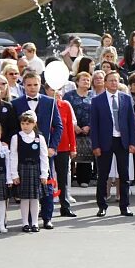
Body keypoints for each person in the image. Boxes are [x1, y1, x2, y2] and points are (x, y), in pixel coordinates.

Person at [11, 70, 62, 229]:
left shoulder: (49, 102)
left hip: (45, 151)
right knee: (27, 188)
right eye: (29, 85)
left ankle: (47, 217)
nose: (32, 88)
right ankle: (27, 221)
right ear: (24, 85)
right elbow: (13, 128)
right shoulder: (16, 103)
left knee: (46, 184)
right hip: (24, 153)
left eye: (35, 85)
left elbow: (58, 126)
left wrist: (52, 147)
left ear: (40, 85)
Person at [90, 70, 135, 217]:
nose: (113, 83)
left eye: (116, 80)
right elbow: (94, 124)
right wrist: (95, 145)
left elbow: (131, 122)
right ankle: (102, 206)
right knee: (103, 176)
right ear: (105, 82)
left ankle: (125, 206)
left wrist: (132, 142)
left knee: (124, 175)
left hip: (122, 141)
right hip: (105, 141)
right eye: (110, 80)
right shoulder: (97, 100)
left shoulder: (126, 99)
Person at [9, 111, 49, 233]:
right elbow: (13, 156)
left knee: (35, 198)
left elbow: (44, 156)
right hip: (22, 169)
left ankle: (35, 223)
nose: (25, 126)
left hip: (35, 169)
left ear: (34, 124)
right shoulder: (16, 137)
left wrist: (44, 174)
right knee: (24, 198)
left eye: (28, 123)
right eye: (23, 123)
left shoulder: (39, 138)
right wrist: (14, 174)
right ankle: (25, 223)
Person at [52, 86, 77, 217]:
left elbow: (70, 128)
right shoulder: (44, 104)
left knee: (63, 179)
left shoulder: (65, 105)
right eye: (52, 90)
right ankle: (46, 206)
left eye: (58, 90)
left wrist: (73, 147)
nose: (56, 93)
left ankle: (65, 206)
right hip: (49, 147)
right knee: (48, 178)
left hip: (63, 147)